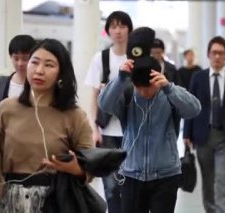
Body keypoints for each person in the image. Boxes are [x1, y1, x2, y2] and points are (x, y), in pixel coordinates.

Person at [0, 39, 94, 213]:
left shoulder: (74, 115)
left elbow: (91, 163)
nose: (39, 71)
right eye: (34, 62)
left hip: (56, 201)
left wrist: (76, 168)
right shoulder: (6, 108)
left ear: (61, 73)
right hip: (11, 201)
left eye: (49, 65)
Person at [98, 27, 201, 213]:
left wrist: (169, 88)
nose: (144, 93)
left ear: (157, 80)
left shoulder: (169, 93)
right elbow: (104, 104)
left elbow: (194, 109)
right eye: (140, 88)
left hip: (166, 175)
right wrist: (121, 79)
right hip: (131, 174)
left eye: (149, 88)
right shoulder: (128, 92)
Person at [183, 36, 225, 213]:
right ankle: (210, 209)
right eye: (214, 53)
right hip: (203, 136)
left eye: (221, 53)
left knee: (222, 179)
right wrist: (186, 134)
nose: (217, 57)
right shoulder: (198, 77)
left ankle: (222, 210)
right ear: (208, 55)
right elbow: (190, 106)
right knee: (208, 179)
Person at [84, 11, 133, 213]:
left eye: (122, 26)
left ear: (129, 29)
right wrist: (94, 128)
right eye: (113, 26)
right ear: (108, 31)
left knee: (132, 185)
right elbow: (93, 96)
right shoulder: (101, 58)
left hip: (133, 131)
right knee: (111, 187)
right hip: (108, 132)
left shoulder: (136, 57)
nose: (118, 31)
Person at [0, 35, 36, 110]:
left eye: (25, 59)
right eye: (16, 58)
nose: (20, 63)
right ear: (10, 57)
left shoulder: (39, 85)